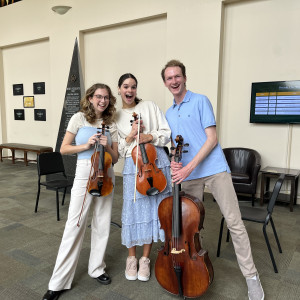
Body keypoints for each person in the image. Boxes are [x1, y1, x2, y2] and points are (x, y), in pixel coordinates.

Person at [161, 60, 264, 300]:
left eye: (177, 76)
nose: (174, 81)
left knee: (234, 223)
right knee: (188, 229)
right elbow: (176, 145)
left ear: (185, 78)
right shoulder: (169, 113)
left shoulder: (200, 101)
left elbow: (212, 139)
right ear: (165, 83)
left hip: (214, 169)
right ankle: (192, 269)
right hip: (188, 174)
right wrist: (175, 161)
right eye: (169, 78)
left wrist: (188, 168)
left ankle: (252, 278)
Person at [42, 83, 119, 300]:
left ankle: (97, 268)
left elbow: (116, 157)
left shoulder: (110, 123)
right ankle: (58, 282)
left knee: (102, 222)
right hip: (86, 171)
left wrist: (108, 146)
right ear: (90, 98)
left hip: (107, 171)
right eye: (98, 97)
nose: (102, 101)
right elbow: (64, 148)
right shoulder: (78, 118)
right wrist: (86, 145)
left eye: (106, 97)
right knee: (74, 224)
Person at [115, 73, 172, 282]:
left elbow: (166, 132)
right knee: (132, 208)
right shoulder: (116, 116)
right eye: (125, 86)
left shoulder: (149, 106)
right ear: (119, 89)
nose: (129, 91)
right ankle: (132, 258)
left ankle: (145, 259)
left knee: (152, 208)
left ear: (136, 89)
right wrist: (130, 135)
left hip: (156, 162)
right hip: (134, 165)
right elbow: (120, 150)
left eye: (133, 87)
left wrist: (150, 136)